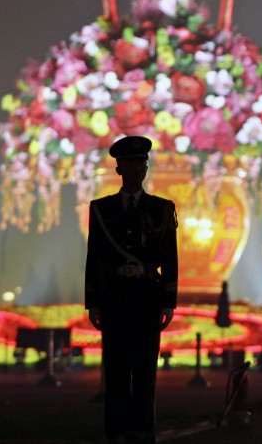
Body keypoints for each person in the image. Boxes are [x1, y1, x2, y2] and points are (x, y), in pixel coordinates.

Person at [85, 135, 178, 444]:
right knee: (116, 367)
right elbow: (94, 257)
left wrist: (168, 302)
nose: (138, 168)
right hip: (114, 297)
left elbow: (170, 259)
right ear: (119, 168)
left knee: (145, 368)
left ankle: (142, 427)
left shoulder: (162, 210)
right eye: (131, 162)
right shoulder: (101, 210)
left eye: (142, 162)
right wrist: (93, 302)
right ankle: (116, 428)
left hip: (147, 298)